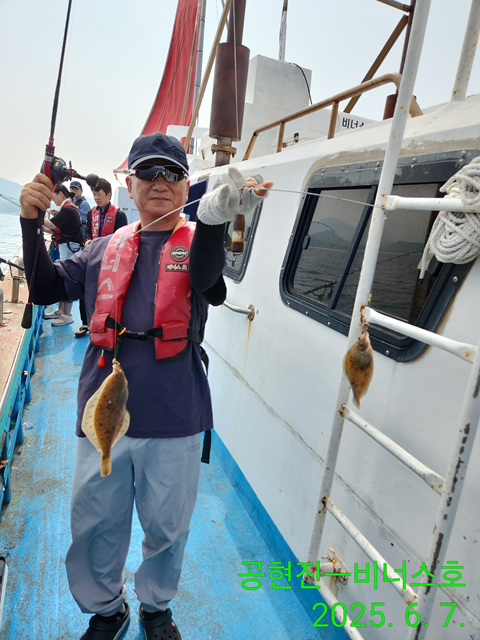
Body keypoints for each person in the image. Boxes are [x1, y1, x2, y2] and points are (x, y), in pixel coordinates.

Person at [19, 131, 273, 640]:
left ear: (186, 186)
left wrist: (213, 223)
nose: (161, 182)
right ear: (130, 184)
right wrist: (29, 222)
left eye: (173, 173)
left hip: (175, 414)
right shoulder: (100, 249)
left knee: (167, 526)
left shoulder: (198, 244)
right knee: (94, 521)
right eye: (149, 172)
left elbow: (208, 283)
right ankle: (106, 610)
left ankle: (156, 608)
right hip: (101, 412)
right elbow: (44, 287)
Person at [43, 183, 84, 326]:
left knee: (68, 278)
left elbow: (51, 225)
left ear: (60, 193)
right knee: (62, 277)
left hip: (69, 247)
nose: (52, 200)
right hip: (66, 246)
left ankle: (67, 315)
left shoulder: (68, 210)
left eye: (53, 196)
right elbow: (52, 229)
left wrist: (36, 215)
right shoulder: (67, 209)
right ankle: (61, 310)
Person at [70, 180, 92, 338]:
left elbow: (82, 223)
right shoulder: (73, 203)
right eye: (72, 188)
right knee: (84, 285)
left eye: (76, 189)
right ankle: (85, 322)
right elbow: (89, 229)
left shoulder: (84, 205)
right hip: (86, 247)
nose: (73, 191)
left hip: (92, 250)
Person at [85, 178, 128, 245]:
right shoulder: (90, 213)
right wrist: (87, 240)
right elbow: (87, 231)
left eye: (99, 195)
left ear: (109, 195)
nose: (96, 198)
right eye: (94, 194)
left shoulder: (119, 215)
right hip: (94, 249)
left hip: (110, 249)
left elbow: (123, 237)